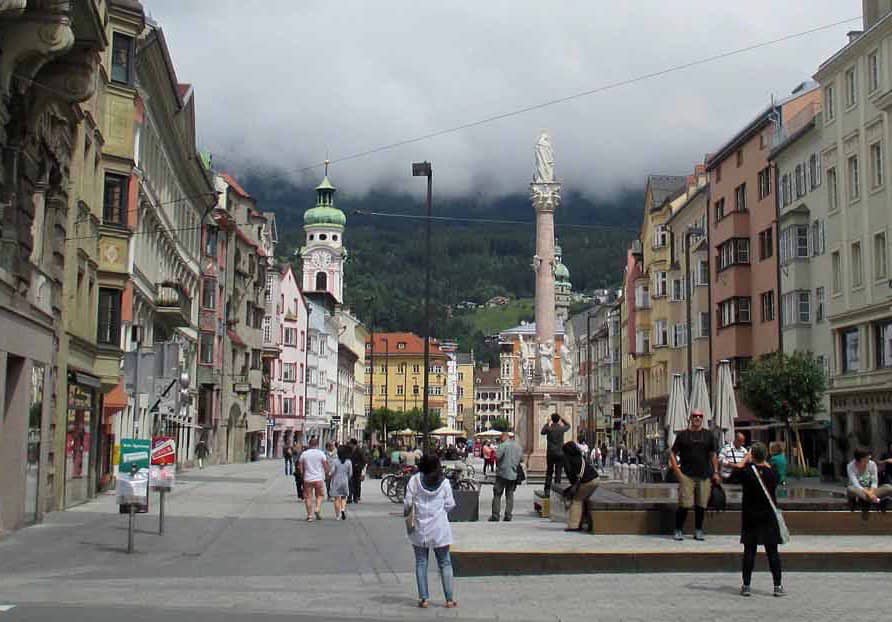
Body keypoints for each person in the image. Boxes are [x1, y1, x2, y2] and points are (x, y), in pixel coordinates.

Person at [726, 442, 784, 597]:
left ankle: (746, 585)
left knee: (749, 552)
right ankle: (777, 586)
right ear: (766, 456)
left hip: (751, 516)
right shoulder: (772, 473)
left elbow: (731, 478)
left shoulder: (746, 472)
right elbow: (776, 477)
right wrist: (763, 461)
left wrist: (744, 460)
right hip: (769, 517)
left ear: (752, 455)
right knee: (772, 552)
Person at [404, 453, 457, 609]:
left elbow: (407, 503)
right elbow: (450, 504)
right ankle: (449, 599)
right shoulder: (444, 482)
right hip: (439, 528)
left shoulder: (414, 480)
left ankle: (424, 598)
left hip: (420, 528)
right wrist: (440, 511)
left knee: (421, 562)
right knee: (445, 562)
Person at [669, 409, 719, 541]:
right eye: (695, 416)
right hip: (687, 475)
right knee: (684, 504)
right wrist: (677, 471)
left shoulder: (708, 435)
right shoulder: (682, 435)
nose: (697, 418)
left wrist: (716, 472)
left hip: (704, 475)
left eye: (700, 416)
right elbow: (672, 453)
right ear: (690, 418)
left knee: (701, 505)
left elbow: (713, 455)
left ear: (702, 418)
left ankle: (698, 530)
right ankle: (678, 529)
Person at [561, 441, 599, 532]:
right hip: (595, 479)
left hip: (587, 481)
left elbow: (573, 477)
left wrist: (572, 489)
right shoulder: (579, 457)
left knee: (576, 501)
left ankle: (574, 525)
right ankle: (586, 522)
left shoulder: (569, 460)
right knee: (584, 500)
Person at [489, 431, 523, 522]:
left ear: (504, 437)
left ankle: (495, 515)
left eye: (501, 438)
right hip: (513, 473)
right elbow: (522, 459)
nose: (500, 440)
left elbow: (497, 456)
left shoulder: (502, 445)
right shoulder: (518, 446)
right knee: (510, 494)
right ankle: (508, 515)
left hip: (502, 473)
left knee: (497, 494)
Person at [846, 447, 892, 513]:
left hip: (871, 491)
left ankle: (871, 500)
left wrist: (871, 492)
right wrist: (868, 494)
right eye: (867, 456)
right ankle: (875, 500)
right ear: (861, 458)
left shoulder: (872, 464)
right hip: (859, 492)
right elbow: (856, 484)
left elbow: (874, 481)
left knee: (888, 487)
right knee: (850, 489)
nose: (870, 457)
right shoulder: (850, 466)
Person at [298, 437, 329, 522]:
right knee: (320, 495)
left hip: (308, 478)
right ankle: (317, 508)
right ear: (317, 445)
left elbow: (300, 466)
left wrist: (302, 475)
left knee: (308, 497)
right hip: (319, 478)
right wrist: (327, 474)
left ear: (309, 444)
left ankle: (309, 516)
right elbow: (325, 466)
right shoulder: (321, 454)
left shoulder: (304, 454)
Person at [541, 413, 570, 494]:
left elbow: (542, 432)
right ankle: (557, 490)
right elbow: (568, 426)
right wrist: (563, 419)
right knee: (558, 472)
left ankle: (547, 490)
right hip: (560, 453)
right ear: (558, 420)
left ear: (552, 420)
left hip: (550, 453)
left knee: (549, 471)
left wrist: (547, 423)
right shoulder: (561, 429)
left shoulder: (549, 428)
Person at [329, 445, 352, 520]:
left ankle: (337, 515)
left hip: (336, 481)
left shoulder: (335, 461)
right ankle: (342, 509)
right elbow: (350, 473)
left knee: (336, 498)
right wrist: (347, 478)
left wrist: (329, 474)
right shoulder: (348, 462)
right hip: (345, 481)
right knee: (343, 497)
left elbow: (332, 471)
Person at [348, 439, 367, 504]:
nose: (349, 445)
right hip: (350, 470)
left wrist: (359, 466)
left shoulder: (359, 451)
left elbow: (364, 461)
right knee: (350, 483)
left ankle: (356, 497)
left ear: (353, 444)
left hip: (357, 470)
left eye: (350, 444)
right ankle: (349, 497)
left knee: (357, 484)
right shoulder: (349, 450)